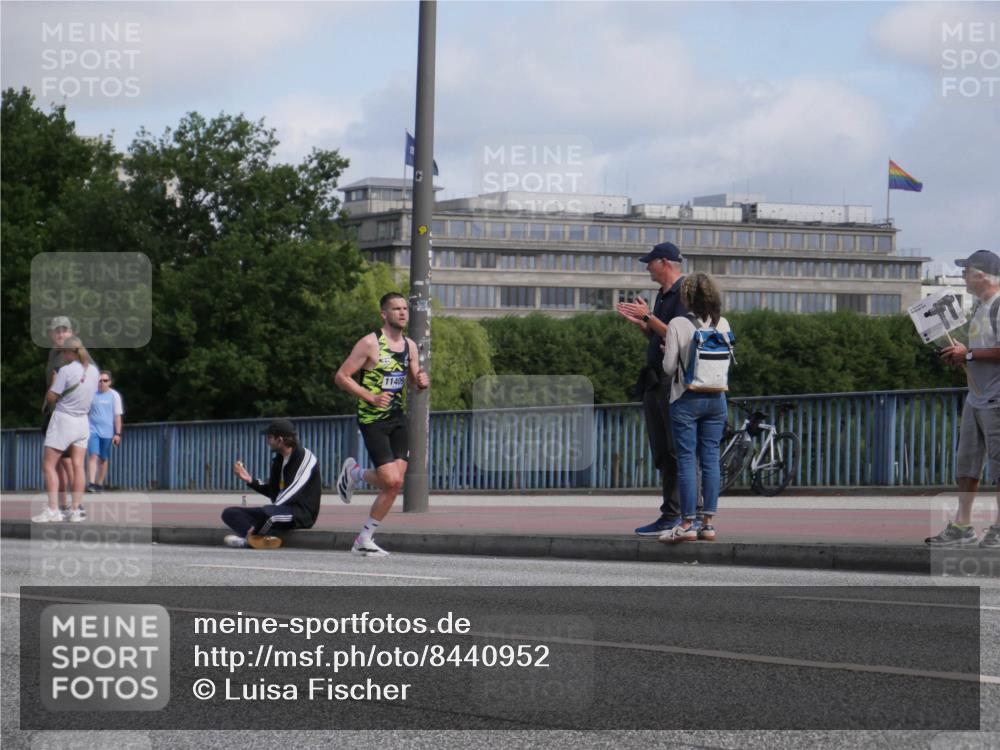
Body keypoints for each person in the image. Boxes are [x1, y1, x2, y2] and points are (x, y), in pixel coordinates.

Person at [334, 292, 429, 557]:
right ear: (383, 314)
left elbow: (412, 381)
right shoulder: (369, 343)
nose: (402, 313)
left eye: (404, 309)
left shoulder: (410, 345)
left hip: (397, 418)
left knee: (395, 484)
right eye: (396, 309)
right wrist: (370, 396)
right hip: (372, 419)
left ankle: (364, 538)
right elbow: (341, 377)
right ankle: (354, 473)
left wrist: (420, 381)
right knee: (390, 478)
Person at [617, 241, 698, 536]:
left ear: (665, 262)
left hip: (673, 381)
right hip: (656, 379)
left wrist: (649, 318)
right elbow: (662, 338)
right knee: (663, 450)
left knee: (678, 449)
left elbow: (683, 335)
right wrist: (643, 325)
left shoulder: (686, 292)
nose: (647, 267)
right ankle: (672, 513)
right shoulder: (663, 295)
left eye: (650, 262)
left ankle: (683, 514)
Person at [929, 249, 1000, 548]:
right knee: (967, 464)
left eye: (966, 271)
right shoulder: (980, 308)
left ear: (982, 275)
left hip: (996, 400)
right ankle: (962, 525)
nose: (963, 276)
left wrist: (968, 353)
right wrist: (962, 353)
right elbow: (982, 350)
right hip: (977, 398)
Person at [657, 274, 732, 543]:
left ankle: (686, 524)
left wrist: (669, 349)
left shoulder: (678, 323)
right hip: (717, 398)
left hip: (687, 398)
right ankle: (707, 524)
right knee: (710, 459)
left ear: (686, 296)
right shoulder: (722, 322)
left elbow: (667, 368)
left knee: (687, 460)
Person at [225, 420, 322, 549]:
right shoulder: (279, 459)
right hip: (279, 510)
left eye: (269, 437)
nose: (267, 441)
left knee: (268, 514)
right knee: (230, 513)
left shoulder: (306, 458)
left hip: (300, 514)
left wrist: (269, 511)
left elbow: (293, 491)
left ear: (280, 440)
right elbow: (273, 491)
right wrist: (250, 480)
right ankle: (266, 537)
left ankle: (249, 539)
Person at [33, 337, 99, 523]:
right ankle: (76, 510)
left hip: (64, 419)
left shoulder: (66, 370)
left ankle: (53, 509)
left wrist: (53, 383)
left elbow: (53, 396)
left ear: (70, 352)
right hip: (83, 421)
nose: (63, 356)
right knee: (78, 465)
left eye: (64, 352)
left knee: (48, 465)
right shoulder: (94, 371)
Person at [86, 371, 124, 493]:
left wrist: (117, 434)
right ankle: (91, 482)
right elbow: (86, 412)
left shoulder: (114, 395)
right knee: (93, 455)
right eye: (100, 380)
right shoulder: (92, 394)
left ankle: (99, 483)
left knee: (103, 458)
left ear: (110, 382)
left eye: (105, 380)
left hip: (108, 432)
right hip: (93, 430)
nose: (102, 383)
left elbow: (117, 416)